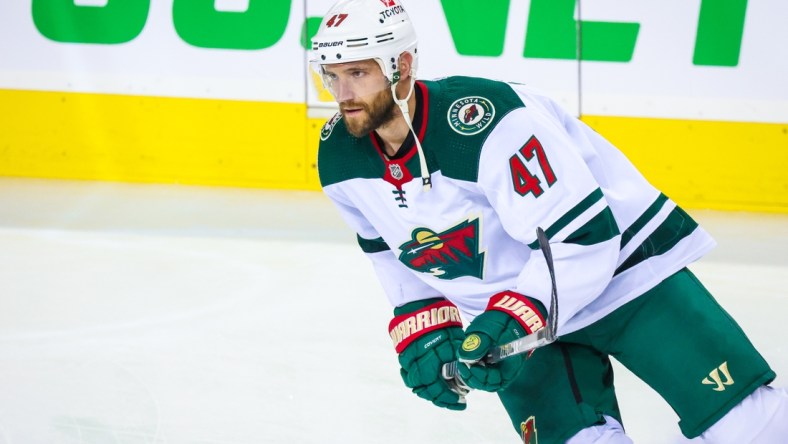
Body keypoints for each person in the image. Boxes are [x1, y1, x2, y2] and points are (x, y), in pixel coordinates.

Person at [310, 0, 788, 442]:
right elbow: (389, 252)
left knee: (754, 429)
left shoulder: (484, 123)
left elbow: (584, 237)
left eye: (358, 73)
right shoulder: (339, 158)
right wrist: (423, 322)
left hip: (626, 279)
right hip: (511, 321)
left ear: (403, 67)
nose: (343, 93)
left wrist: (513, 315)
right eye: (331, 76)